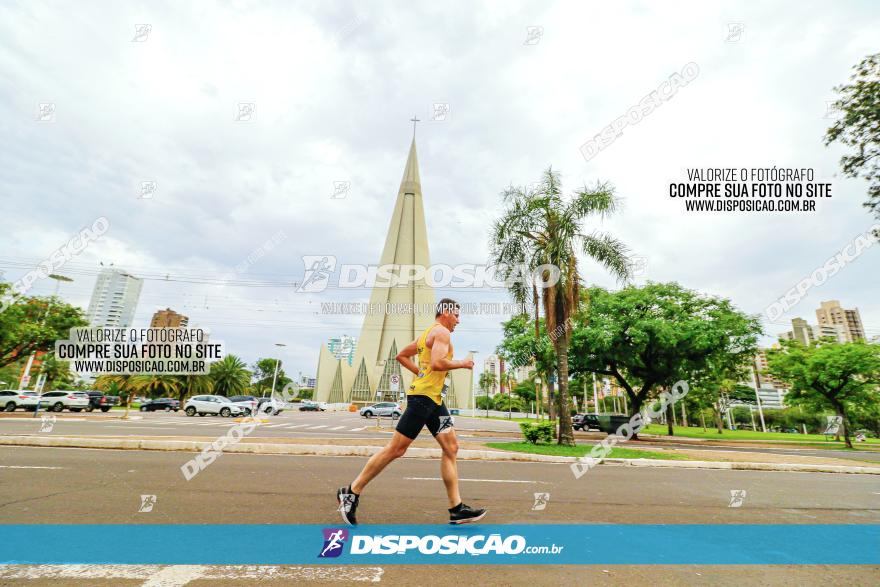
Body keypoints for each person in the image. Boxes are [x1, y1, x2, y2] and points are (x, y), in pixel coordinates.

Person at [336, 298, 485, 525]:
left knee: (451, 447)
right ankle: (351, 492)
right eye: (456, 315)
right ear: (445, 313)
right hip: (423, 400)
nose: (458, 320)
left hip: (434, 401)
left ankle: (456, 509)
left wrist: (420, 373)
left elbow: (401, 356)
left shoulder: (426, 335)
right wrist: (463, 363)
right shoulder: (442, 334)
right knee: (396, 449)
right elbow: (437, 363)